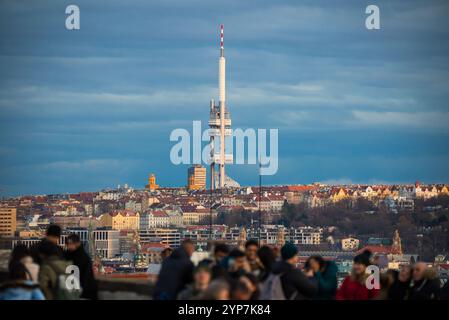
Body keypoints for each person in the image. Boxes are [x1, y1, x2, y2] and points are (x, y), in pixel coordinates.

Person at [64, 234, 98, 300]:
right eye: (68, 244)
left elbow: (86, 277)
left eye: (71, 243)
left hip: (83, 293)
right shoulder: (67, 255)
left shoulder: (84, 258)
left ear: (78, 243)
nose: (69, 246)